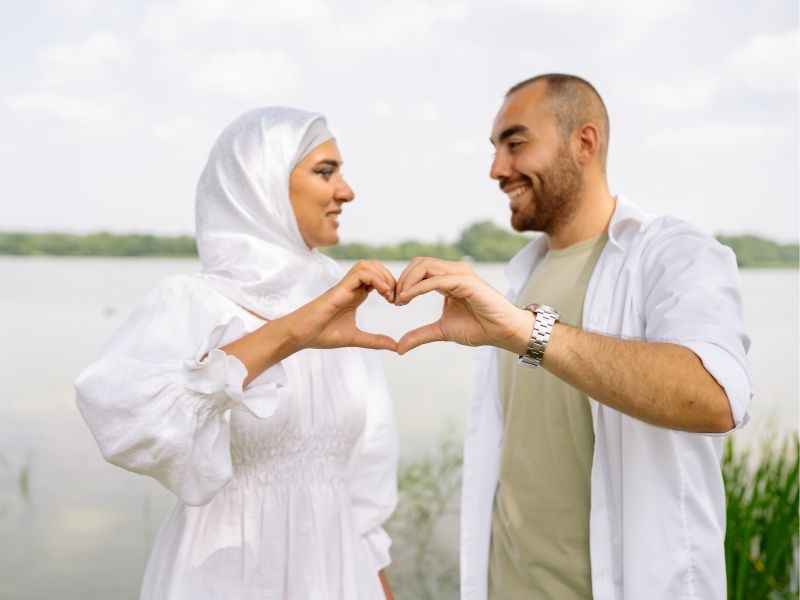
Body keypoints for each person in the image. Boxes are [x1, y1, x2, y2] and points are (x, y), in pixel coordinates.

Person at [393, 74, 752, 600]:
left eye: (515, 144)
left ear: (584, 142)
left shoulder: (675, 254)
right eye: (494, 150)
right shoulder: (521, 277)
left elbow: (716, 397)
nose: (496, 169)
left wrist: (528, 332)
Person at [75, 107, 399, 600]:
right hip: (229, 575)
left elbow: (368, 479)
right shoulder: (193, 302)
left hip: (337, 571)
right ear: (258, 183)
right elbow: (123, 423)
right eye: (325, 171)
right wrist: (291, 332)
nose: (346, 191)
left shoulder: (342, 303)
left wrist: (378, 586)